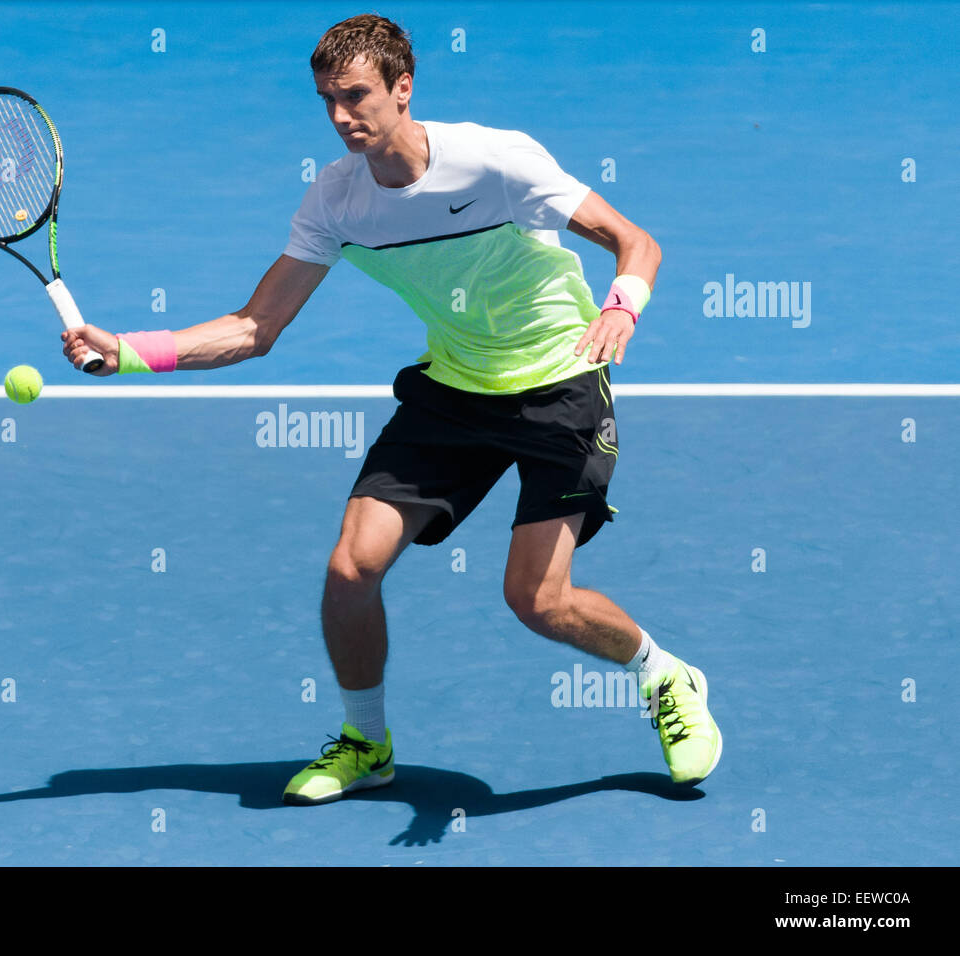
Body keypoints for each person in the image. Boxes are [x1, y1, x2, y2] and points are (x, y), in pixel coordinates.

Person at [61, 13, 722, 804]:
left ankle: (664, 675)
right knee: (351, 566)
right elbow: (255, 327)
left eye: (356, 95)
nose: (341, 116)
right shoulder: (337, 200)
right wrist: (130, 350)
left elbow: (634, 241)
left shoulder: (497, 162)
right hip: (455, 391)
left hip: (561, 385)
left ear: (403, 89)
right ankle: (366, 741)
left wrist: (622, 306)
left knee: (537, 601)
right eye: (327, 101)